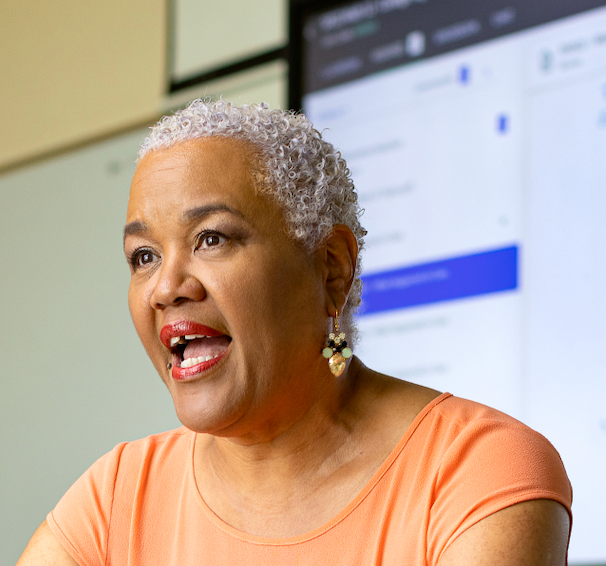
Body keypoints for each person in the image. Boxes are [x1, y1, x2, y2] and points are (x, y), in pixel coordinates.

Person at [17, 100, 572, 566]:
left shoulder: (479, 471)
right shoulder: (117, 497)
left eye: (211, 238)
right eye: (143, 256)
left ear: (330, 266)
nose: (166, 288)